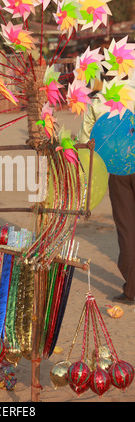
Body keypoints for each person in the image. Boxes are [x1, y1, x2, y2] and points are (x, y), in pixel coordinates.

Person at [78, 99, 135, 305]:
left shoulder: (97, 102)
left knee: (127, 229)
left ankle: (132, 289)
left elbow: (85, 141)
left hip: (119, 167)